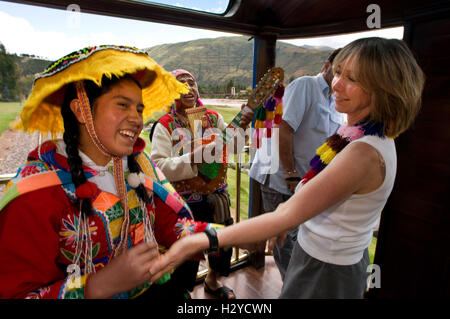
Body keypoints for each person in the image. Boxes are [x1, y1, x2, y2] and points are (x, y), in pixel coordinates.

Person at [149, 37, 425, 299]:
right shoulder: (353, 133)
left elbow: (288, 209)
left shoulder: (363, 152)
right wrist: (287, 214)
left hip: (327, 266)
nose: (337, 84)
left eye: (351, 78)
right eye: (338, 72)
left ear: (384, 90)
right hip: (316, 252)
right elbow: (307, 196)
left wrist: (199, 240)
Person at [0, 45, 219, 299]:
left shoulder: (141, 164)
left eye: (138, 109)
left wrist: (225, 236)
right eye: (123, 105)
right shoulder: (35, 193)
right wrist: (98, 286)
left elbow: (173, 226)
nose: (137, 119)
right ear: (82, 110)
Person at [150, 69, 253, 299]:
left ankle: (212, 280)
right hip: (183, 203)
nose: (188, 86)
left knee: (220, 243)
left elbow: (233, 147)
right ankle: (182, 292)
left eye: (192, 82)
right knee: (186, 252)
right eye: (181, 83)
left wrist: (243, 128)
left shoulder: (213, 118)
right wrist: (195, 158)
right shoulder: (164, 125)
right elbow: (158, 166)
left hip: (216, 194)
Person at [249, 49, 344, 280]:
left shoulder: (336, 100)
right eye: (338, 69)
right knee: (286, 241)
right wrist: (290, 174)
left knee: (300, 239)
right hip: (283, 180)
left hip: (306, 183)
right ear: (326, 66)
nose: (342, 77)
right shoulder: (305, 86)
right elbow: (284, 128)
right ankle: (291, 289)